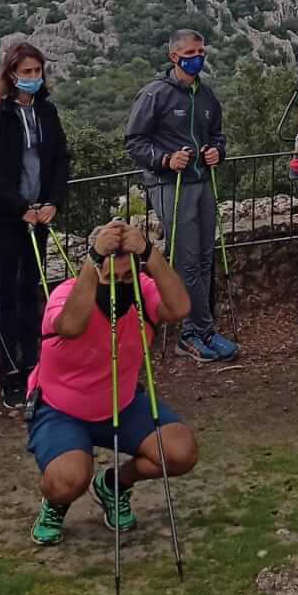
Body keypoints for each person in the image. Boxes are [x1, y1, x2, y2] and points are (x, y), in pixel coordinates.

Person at [27, 220, 199, 547]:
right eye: (110, 278)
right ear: (92, 271)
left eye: (126, 278)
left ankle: (114, 484)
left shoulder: (142, 292)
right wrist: (94, 260)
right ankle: (56, 504)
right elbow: (72, 326)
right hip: (61, 410)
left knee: (181, 452)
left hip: (123, 402)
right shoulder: (66, 296)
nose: (119, 285)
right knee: (68, 479)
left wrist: (150, 253)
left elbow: (180, 308)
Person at [124, 29, 236, 363]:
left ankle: (202, 330)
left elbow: (217, 135)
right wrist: (165, 160)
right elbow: (134, 142)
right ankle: (193, 333)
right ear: (174, 57)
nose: (198, 56)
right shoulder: (155, 94)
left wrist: (217, 151)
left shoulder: (206, 95)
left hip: (203, 182)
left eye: (201, 50)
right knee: (186, 261)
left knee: (203, 258)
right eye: (191, 52)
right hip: (170, 186)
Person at [0, 42, 72, 410]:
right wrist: (20, 209)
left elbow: (61, 159)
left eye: (37, 71)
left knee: (32, 287)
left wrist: (53, 203)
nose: (33, 78)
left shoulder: (47, 111)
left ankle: (36, 363)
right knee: (8, 292)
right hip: (2, 218)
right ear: (10, 74)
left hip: (39, 215)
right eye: (26, 72)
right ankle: (12, 371)